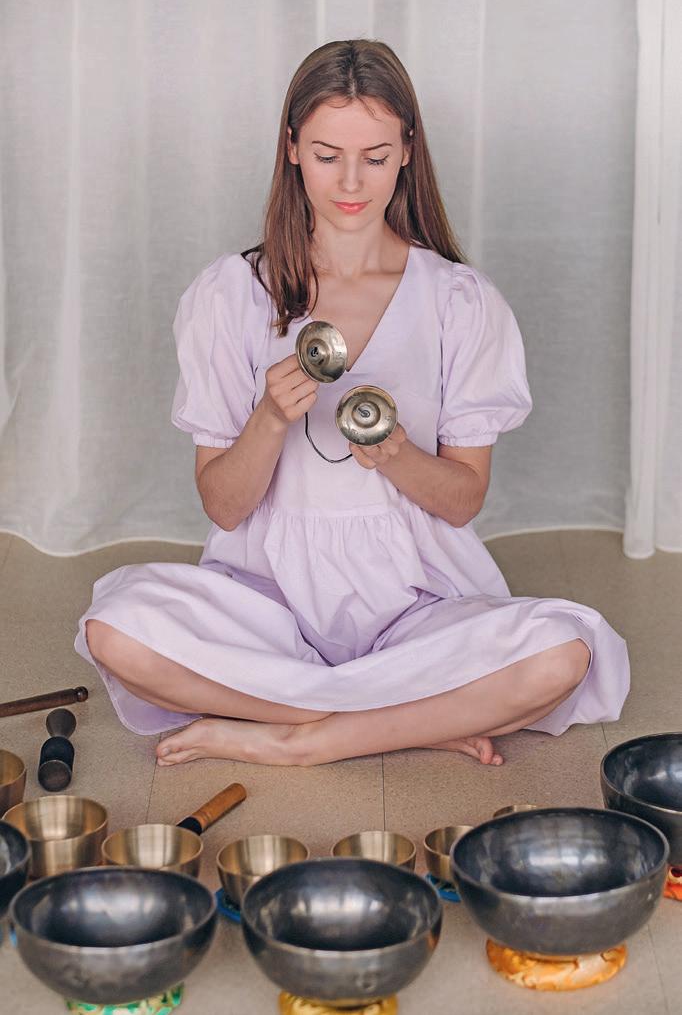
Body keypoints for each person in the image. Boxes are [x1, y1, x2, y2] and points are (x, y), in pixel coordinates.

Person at [75, 39, 629, 769]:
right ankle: (412, 718)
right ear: (292, 149)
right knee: (115, 629)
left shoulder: (460, 301)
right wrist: (270, 418)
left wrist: (396, 454)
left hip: (418, 604)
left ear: (407, 151)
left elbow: (463, 500)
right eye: (327, 154)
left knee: (563, 653)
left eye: (375, 156)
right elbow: (224, 506)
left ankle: (301, 740)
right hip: (267, 601)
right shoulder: (230, 295)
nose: (350, 181)